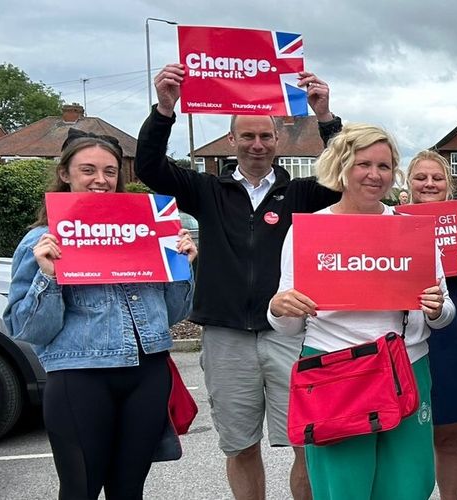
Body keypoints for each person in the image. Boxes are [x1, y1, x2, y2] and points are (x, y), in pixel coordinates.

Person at [139, 62, 341, 500]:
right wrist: (165, 108)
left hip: (289, 334)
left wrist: (325, 117)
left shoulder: (302, 193)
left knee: (305, 444)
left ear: (279, 139)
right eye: (246, 136)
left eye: (265, 135)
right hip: (226, 334)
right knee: (241, 446)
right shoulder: (206, 190)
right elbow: (150, 168)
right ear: (232, 140)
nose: (256, 144)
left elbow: (345, 176)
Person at [4, 133, 198, 499]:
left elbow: (175, 314)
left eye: (110, 171)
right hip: (80, 376)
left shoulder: (147, 233)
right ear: (65, 173)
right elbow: (28, 328)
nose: (101, 179)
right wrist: (48, 276)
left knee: (129, 490)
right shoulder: (41, 242)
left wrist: (182, 268)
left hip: (147, 373)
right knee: (81, 488)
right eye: (88, 169)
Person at [267, 124, 450, 499]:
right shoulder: (310, 230)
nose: (375, 174)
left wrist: (435, 310)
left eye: (384, 166)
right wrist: (277, 307)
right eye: (363, 163)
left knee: (408, 484)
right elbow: (287, 326)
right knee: (343, 486)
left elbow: (442, 311)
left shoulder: (410, 229)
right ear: (342, 167)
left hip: (406, 366)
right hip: (334, 370)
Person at [403, 150, 457, 500]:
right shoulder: (389, 222)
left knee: (449, 435)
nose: (429, 184)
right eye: (421, 177)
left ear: (449, 186)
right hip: (405, 340)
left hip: (451, 339)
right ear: (407, 183)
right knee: (408, 437)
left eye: (437, 178)